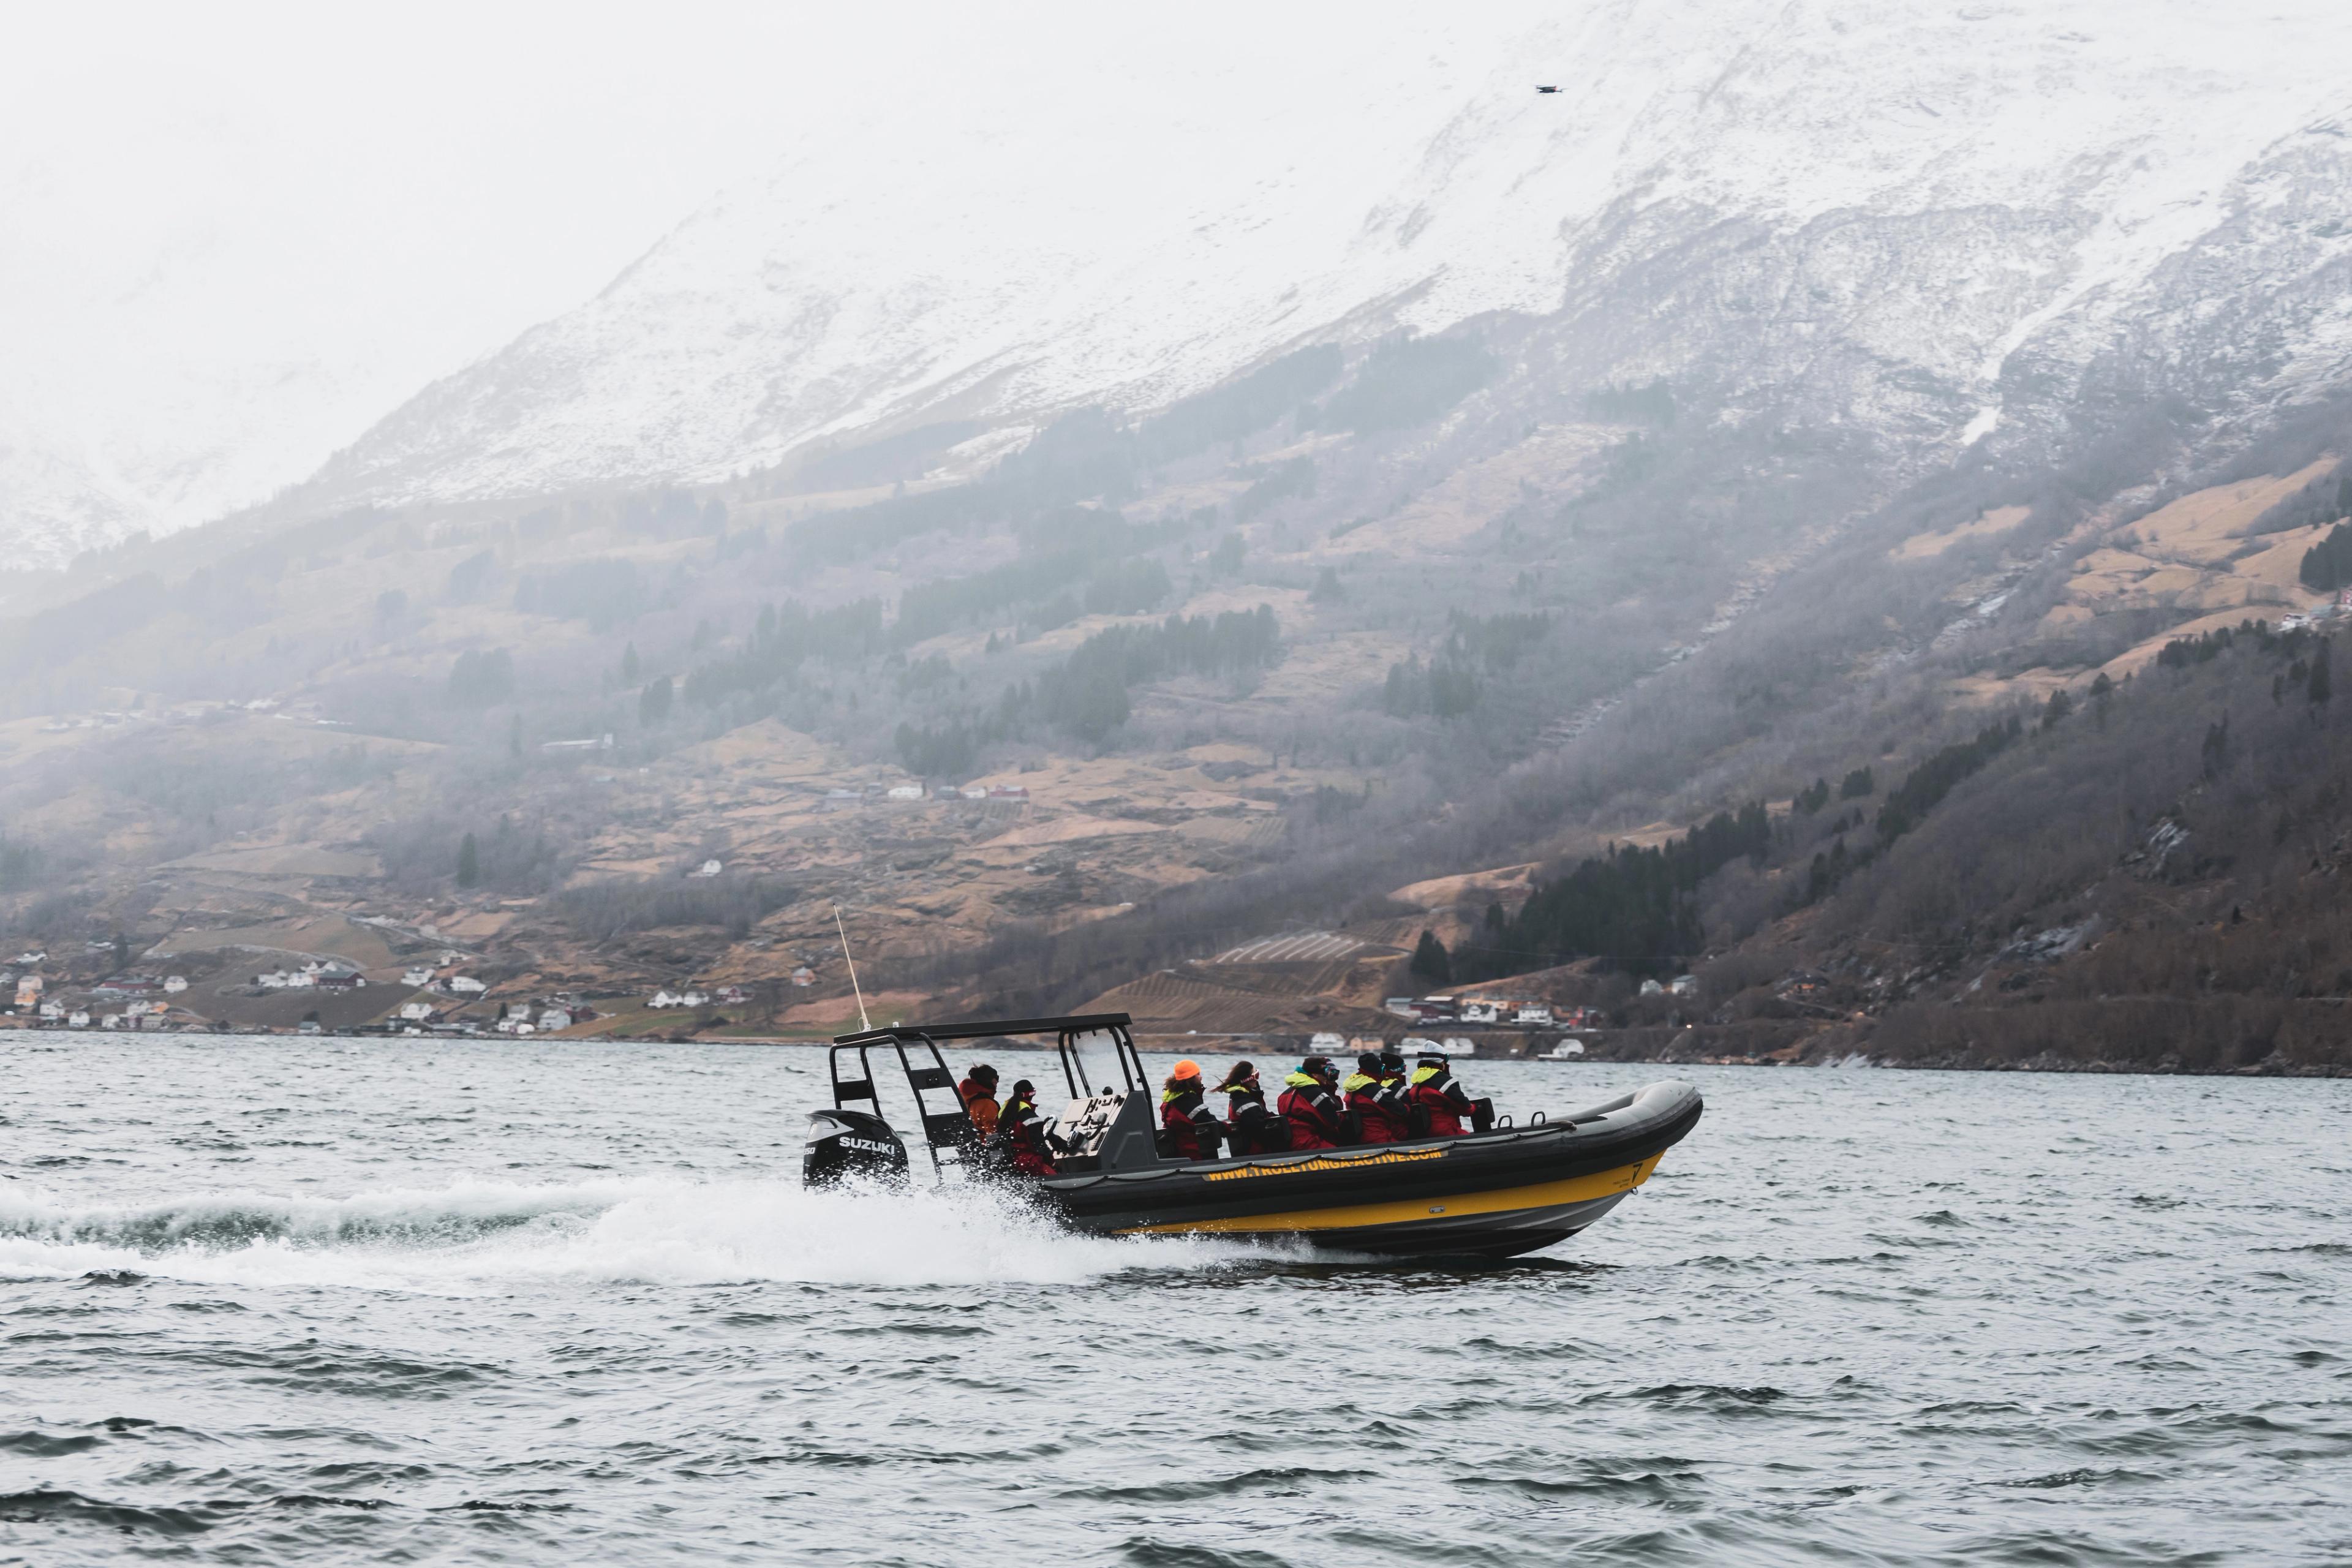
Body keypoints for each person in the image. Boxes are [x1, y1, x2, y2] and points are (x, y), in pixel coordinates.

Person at [1403, 1051, 1494, 1137]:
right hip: (1446, 1132)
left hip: (1423, 1134)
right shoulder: (1445, 1083)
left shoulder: (1416, 1083)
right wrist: (1475, 1107)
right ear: (1442, 1062)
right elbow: (1467, 1110)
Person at [1215, 1061, 1288, 1155]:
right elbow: (1260, 1132)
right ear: (1248, 1079)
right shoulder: (1246, 1103)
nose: (1257, 1080)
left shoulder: (1240, 1097)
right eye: (1256, 1076)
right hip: (1255, 1153)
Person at [991, 1079, 1059, 1177]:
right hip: (1028, 1162)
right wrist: (1052, 1162)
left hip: (1010, 1161)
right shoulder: (1030, 1117)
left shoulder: (1005, 1112)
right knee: (1056, 1176)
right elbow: (1039, 1146)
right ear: (1032, 1094)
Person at [1159, 1059, 1223, 1161]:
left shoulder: (1172, 1099)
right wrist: (1230, 1129)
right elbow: (1209, 1121)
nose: (1201, 1077)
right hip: (1196, 1156)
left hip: (1181, 1154)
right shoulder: (1188, 1101)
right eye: (1198, 1074)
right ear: (1190, 1078)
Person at [1278, 1055, 1346, 1150]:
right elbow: (1333, 1123)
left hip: (1290, 1142)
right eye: (1326, 1072)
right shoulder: (1317, 1094)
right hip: (1309, 1142)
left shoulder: (1285, 1093)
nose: (1327, 1077)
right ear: (1315, 1075)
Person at [1343, 1052, 1411, 1144]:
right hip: (1379, 1136)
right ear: (1377, 1070)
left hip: (1360, 1135)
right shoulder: (1375, 1091)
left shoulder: (1354, 1088)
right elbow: (1402, 1111)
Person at [957, 1063, 1001, 1142]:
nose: (997, 1082)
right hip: (985, 1148)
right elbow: (992, 1134)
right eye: (996, 1078)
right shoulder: (987, 1104)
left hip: (971, 1146)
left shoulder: (966, 1099)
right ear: (989, 1081)